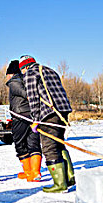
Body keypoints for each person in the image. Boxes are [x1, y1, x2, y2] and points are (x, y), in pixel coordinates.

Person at [19, 55, 75, 193]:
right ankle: (69, 176)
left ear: (24, 67)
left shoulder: (30, 74)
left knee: (49, 148)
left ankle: (60, 184)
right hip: (62, 110)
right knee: (59, 144)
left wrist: (35, 120)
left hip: (48, 114)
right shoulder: (50, 70)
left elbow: (33, 99)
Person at [5, 60, 42, 182]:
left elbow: (26, 94)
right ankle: (35, 172)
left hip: (20, 116)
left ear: (11, 73)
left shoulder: (14, 81)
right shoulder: (28, 79)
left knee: (19, 143)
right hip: (32, 115)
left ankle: (28, 172)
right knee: (33, 143)